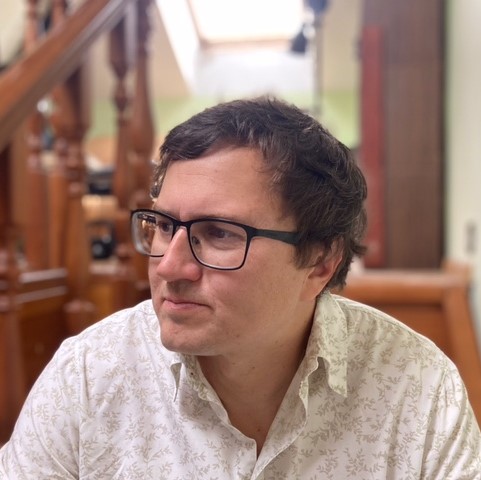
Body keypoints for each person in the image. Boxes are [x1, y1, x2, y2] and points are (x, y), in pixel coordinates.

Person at [1, 96, 480, 479]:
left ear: (320, 262)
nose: (170, 267)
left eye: (220, 234)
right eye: (163, 226)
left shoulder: (416, 386)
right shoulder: (89, 374)